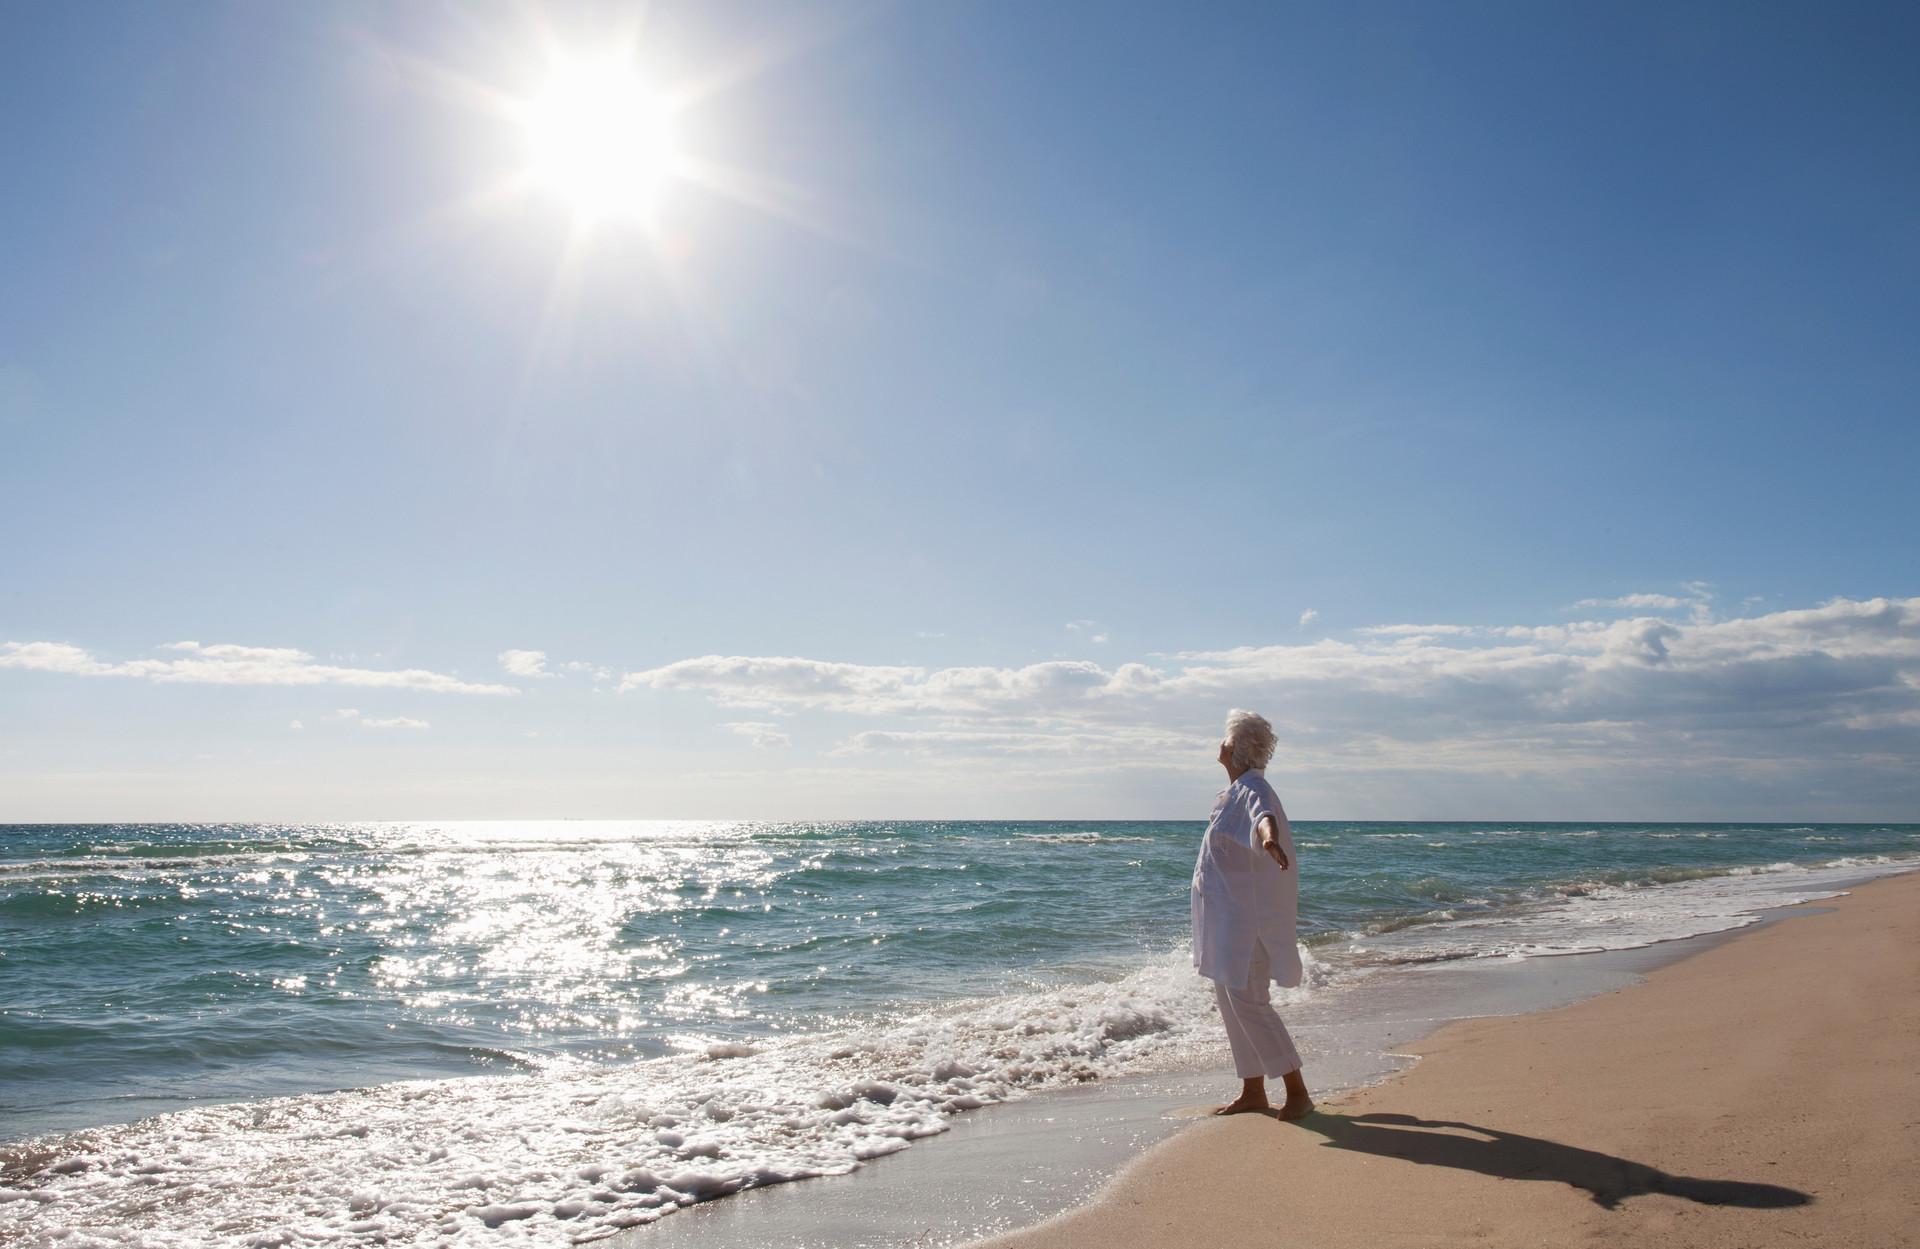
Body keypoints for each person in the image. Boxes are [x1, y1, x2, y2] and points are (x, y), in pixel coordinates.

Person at [1191, 708, 1314, 1119]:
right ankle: (1253, 1091)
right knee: (1231, 1003)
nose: (1221, 744)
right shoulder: (1233, 792)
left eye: (1227, 738)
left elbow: (1265, 816)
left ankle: (1297, 1092)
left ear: (1238, 749)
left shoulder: (1252, 788)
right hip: (1227, 922)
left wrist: (1270, 840)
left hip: (1247, 926)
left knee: (1251, 1004)